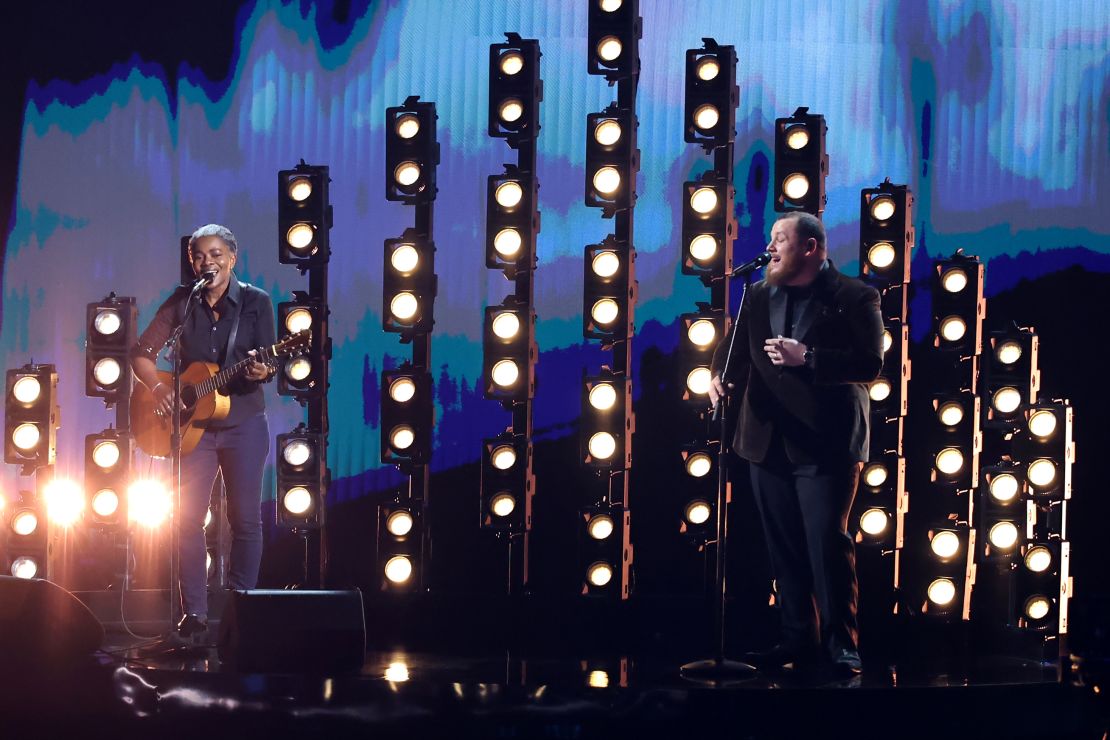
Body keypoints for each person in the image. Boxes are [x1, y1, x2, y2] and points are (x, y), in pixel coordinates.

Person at [709, 212, 883, 676]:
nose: (770, 247)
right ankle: (795, 640)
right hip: (766, 441)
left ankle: (841, 646)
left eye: (780, 239)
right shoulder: (759, 293)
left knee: (827, 545)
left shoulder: (854, 296)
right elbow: (731, 351)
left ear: (810, 247)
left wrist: (807, 356)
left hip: (826, 443)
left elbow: (870, 364)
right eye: (770, 239)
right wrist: (716, 378)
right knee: (782, 547)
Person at [131, 224, 276, 643]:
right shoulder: (183, 301)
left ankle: (240, 607)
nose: (206, 262)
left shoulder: (256, 303)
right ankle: (193, 613)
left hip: (243, 424)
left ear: (232, 258)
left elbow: (269, 364)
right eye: (198, 255)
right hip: (193, 432)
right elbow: (142, 354)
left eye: (215, 254)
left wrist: (262, 368)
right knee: (185, 521)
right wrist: (161, 388)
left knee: (245, 520)